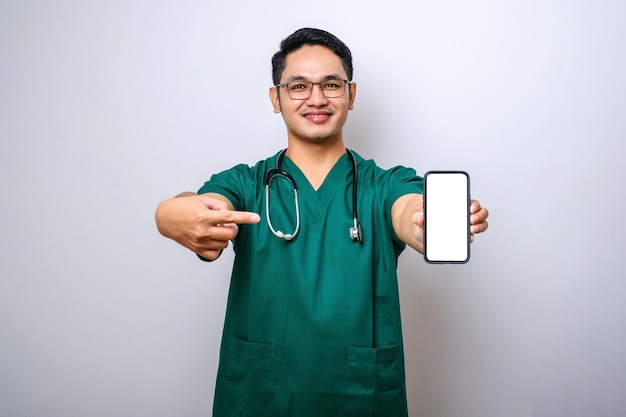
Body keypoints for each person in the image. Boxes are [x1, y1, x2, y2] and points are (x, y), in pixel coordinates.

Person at [155, 28, 489, 417]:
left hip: (358, 396)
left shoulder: (383, 184)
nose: (316, 98)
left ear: (351, 94)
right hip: (262, 392)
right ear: (275, 99)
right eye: (298, 86)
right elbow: (201, 205)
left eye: (331, 84)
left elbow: (408, 209)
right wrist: (170, 213)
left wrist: (424, 223)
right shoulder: (246, 183)